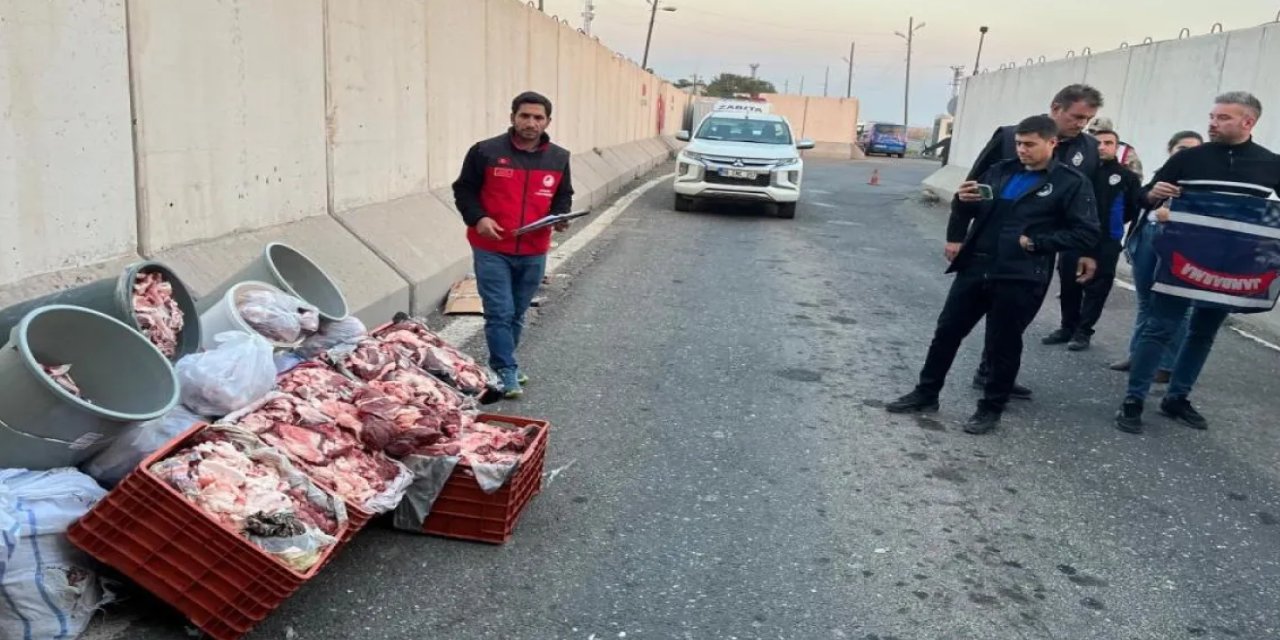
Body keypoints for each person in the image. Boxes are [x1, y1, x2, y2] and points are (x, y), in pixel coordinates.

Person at [887, 115, 1099, 434]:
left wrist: (1039, 243)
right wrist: (962, 202)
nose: (1022, 150)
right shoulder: (1000, 171)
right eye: (1018, 143)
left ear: (1051, 143)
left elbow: (1086, 233)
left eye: (1030, 144)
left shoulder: (1071, 183)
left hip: (1020, 274)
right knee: (947, 332)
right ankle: (926, 393)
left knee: (1002, 344)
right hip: (977, 266)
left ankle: (990, 408)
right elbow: (972, 209)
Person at [1115, 92, 1280, 434]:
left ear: (1248, 122)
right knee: (1159, 327)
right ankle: (1134, 399)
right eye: (1212, 116)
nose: (1212, 123)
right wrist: (1153, 194)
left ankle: (1177, 397)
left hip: (1232, 267)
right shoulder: (1189, 158)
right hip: (1182, 260)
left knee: (1203, 332)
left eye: (1223, 118)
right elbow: (1144, 196)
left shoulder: (1271, 164)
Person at [960, 84, 1106, 399]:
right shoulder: (1011, 136)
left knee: (1018, 317)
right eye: (1077, 116)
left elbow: (1090, 206)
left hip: (1041, 251)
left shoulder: (1089, 149)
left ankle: (995, 372)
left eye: (1089, 119)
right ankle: (991, 376)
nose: (1081, 124)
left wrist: (1086, 252)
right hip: (994, 245)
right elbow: (971, 186)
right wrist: (957, 237)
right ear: (1056, 108)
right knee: (977, 315)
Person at [453, 91, 575, 399]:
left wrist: (560, 218)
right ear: (512, 117)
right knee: (499, 311)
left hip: (534, 249)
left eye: (538, 117)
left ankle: (503, 363)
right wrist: (478, 218)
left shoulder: (559, 158)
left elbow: (563, 197)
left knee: (518, 312)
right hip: (491, 246)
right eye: (524, 116)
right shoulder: (485, 152)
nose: (530, 123)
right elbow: (464, 190)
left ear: (548, 121)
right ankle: (505, 368)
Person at [1109, 131, 1204, 375]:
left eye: (1194, 149)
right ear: (1171, 150)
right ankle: (1137, 355)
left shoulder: (1202, 184)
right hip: (1147, 241)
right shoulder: (1163, 175)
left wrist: (1175, 216)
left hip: (1181, 248)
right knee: (1145, 303)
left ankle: (1167, 364)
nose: (1187, 154)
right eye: (1182, 148)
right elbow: (1141, 200)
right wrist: (1152, 195)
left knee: (1176, 308)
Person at [1042, 126, 1142, 351]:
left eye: (1109, 143)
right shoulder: (1077, 173)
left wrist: (1114, 229)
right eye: (1098, 143)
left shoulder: (1125, 177)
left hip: (1106, 241)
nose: (1102, 147)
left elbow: (1132, 209)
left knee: (1097, 288)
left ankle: (1083, 331)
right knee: (1069, 283)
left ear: (1117, 147)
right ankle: (1067, 326)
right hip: (1073, 238)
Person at [1087, 116, 1144, 181]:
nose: (1094, 135)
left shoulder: (1125, 152)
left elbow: (1136, 179)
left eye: (1100, 132)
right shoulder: (1083, 146)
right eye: (1091, 131)